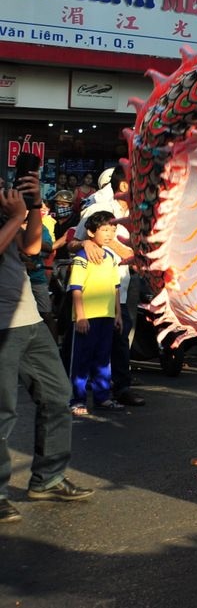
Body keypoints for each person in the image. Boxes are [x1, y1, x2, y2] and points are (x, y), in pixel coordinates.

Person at [0, 173, 95, 522]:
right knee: (2, 411)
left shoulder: (6, 212)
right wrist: (14, 216)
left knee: (57, 395)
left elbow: (31, 248)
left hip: (28, 318)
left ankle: (49, 478)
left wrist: (34, 206)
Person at [66, 211, 126, 414]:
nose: (110, 234)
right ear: (90, 232)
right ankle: (77, 400)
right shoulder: (81, 258)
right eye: (104, 229)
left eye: (113, 229)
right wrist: (81, 315)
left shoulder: (110, 258)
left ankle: (102, 397)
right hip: (87, 318)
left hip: (107, 316)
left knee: (102, 359)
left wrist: (117, 314)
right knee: (81, 359)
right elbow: (76, 288)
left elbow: (115, 287)